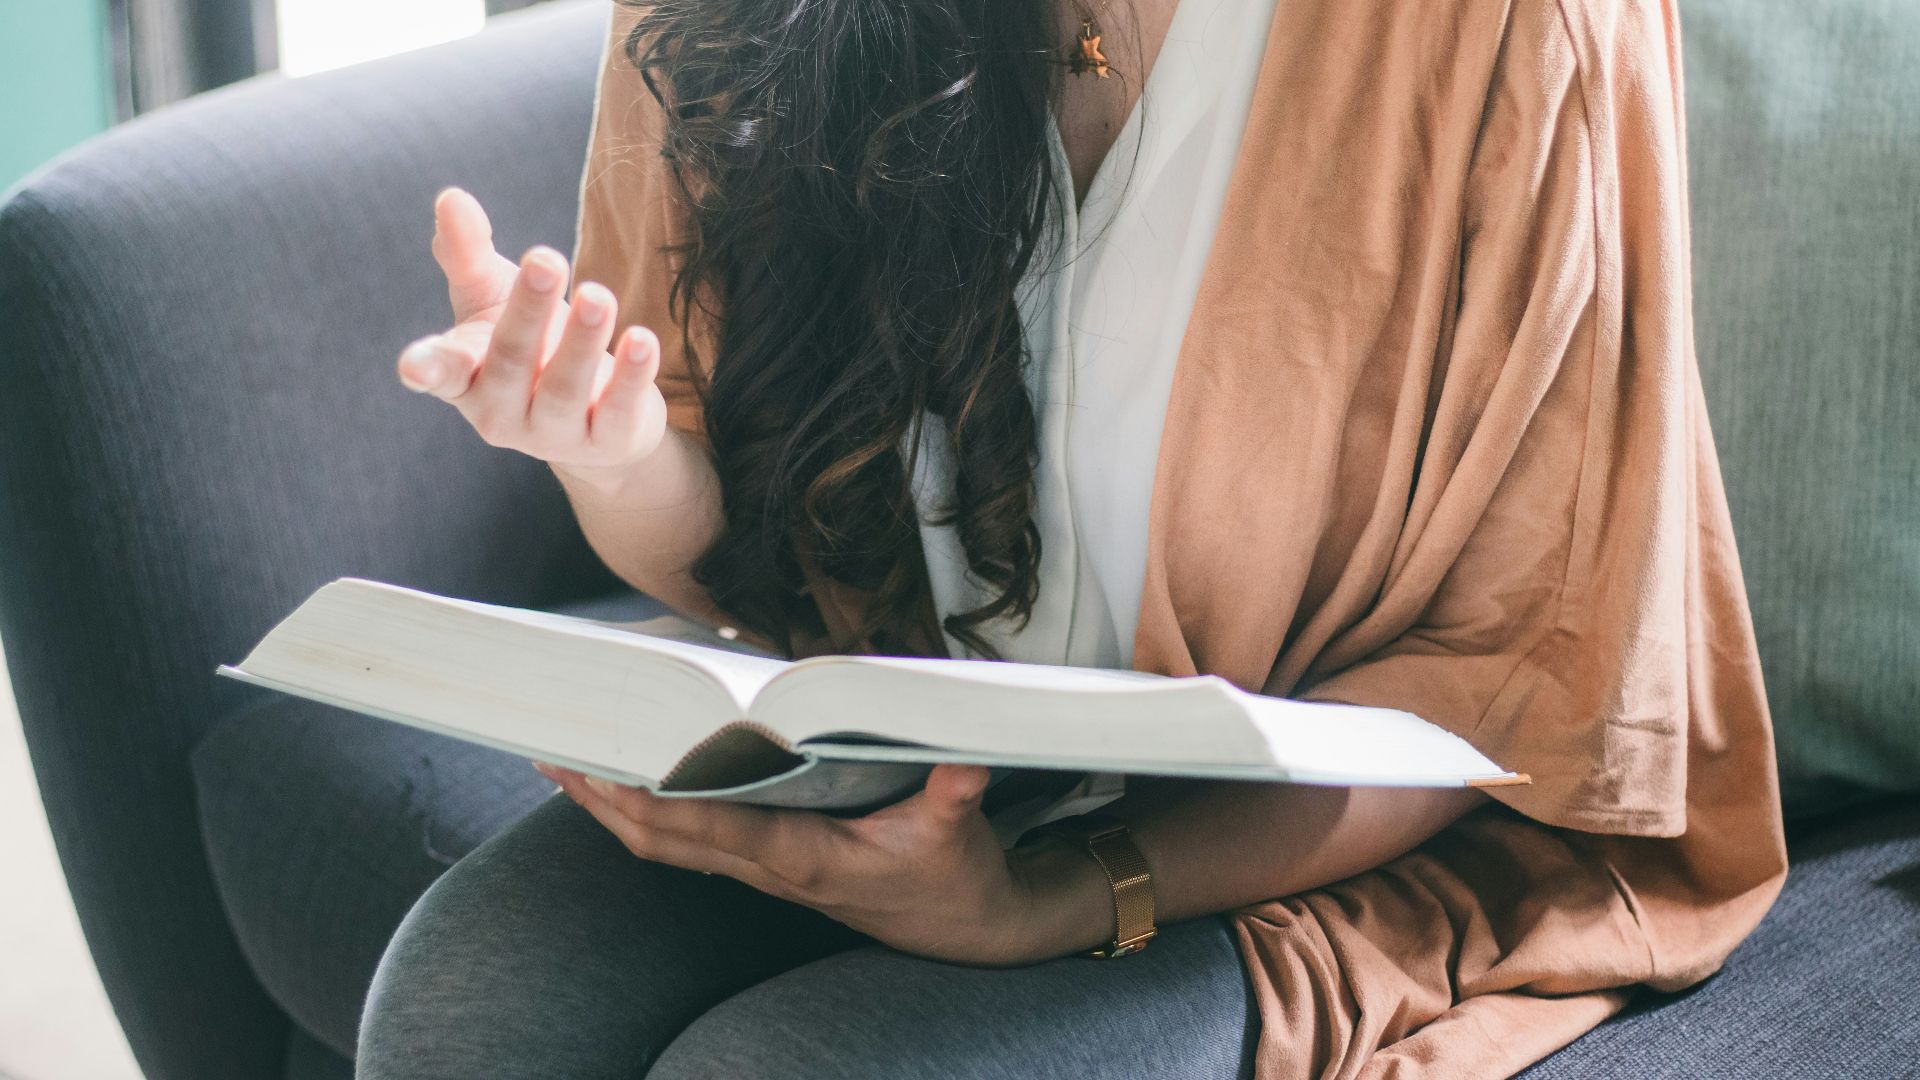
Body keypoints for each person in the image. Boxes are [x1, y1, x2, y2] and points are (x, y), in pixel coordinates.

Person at [356, 0, 1788, 1075]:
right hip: (892, 775)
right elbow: (741, 554)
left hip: (1299, 849)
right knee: (463, 1010)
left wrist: (1050, 903)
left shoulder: (1499, 26)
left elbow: (1522, 680)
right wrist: (605, 456)